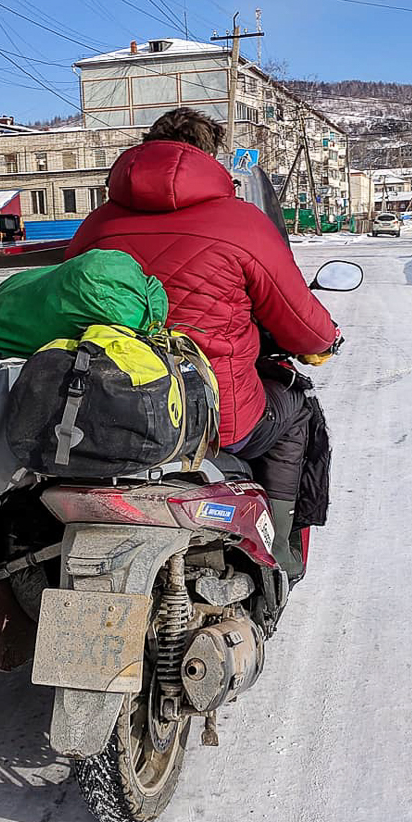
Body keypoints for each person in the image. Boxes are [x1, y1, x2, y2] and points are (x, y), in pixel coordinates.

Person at [65, 107, 340, 580]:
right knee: (295, 409)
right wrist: (326, 341)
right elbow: (303, 326)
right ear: (209, 156)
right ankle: (277, 550)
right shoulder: (241, 221)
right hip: (211, 419)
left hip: (102, 407)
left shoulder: (98, 222)